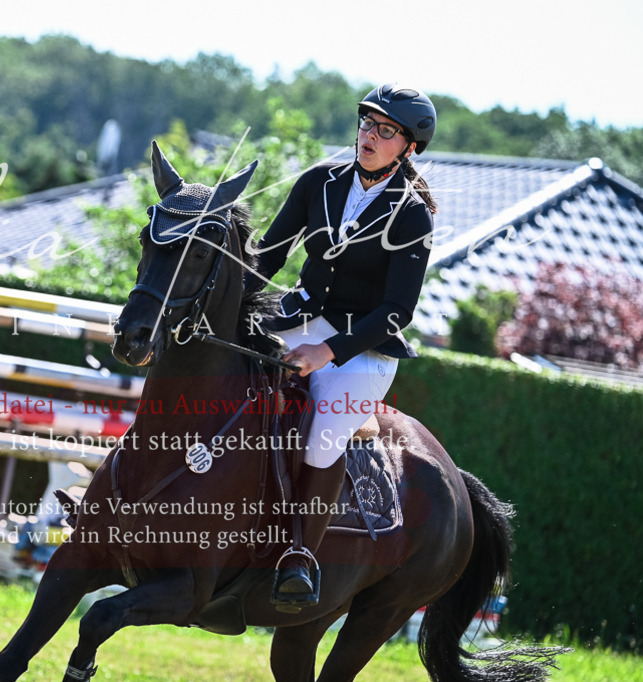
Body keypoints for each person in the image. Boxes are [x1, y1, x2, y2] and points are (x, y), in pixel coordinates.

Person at [251, 83, 438, 610]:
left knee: (322, 434)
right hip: (297, 319)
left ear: (409, 146)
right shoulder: (318, 182)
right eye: (366, 123)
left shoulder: (412, 215)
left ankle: (299, 558)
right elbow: (267, 257)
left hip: (363, 349)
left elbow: (397, 311)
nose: (369, 135)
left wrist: (327, 352)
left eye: (385, 130)